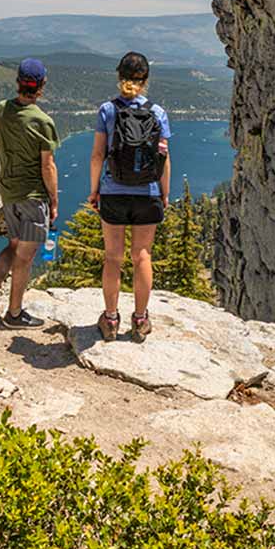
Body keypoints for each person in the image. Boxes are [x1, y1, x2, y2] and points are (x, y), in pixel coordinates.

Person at [89, 51, 171, 343]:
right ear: (146, 79)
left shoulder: (107, 110)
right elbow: (163, 157)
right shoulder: (158, 112)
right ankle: (140, 320)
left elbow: (98, 155)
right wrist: (163, 194)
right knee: (142, 256)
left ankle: (110, 319)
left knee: (113, 257)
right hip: (147, 193)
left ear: (119, 76)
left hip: (113, 192)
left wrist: (95, 190)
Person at [0, 58, 59, 329]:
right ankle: (14, 314)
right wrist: (54, 201)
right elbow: (47, 165)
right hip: (33, 197)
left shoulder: (2, 110)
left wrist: (5, 149)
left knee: (12, 248)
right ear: (41, 87)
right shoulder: (43, 122)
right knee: (25, 257)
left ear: (18, 83)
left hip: (9, 194)